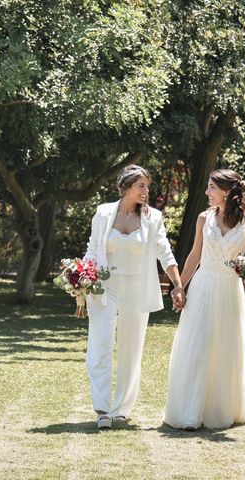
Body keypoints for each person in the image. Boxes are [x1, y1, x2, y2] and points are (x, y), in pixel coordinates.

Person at [164, 169, 245, 430]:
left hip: (229, 290)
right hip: (203, 286)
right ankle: (191, 412)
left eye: (211, 188)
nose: (207, 192)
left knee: (224, 348)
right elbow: (195, 255)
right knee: (198, 346)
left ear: (226, 192)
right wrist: (180, 286)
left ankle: (222, 408)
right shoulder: (204, 219)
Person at [84, 164, 185, 429]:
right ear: (126, 186)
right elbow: (93, 249)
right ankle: (102, 409)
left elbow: (165, 252)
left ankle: (122, 408)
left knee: (131, 348)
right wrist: (81, 279)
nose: (146, 191)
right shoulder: (104, 213)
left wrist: (177, 284)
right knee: (100, 344)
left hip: (137, 289)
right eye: (141, 185)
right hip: (104, 287)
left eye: (147, 186)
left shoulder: (153, 217)